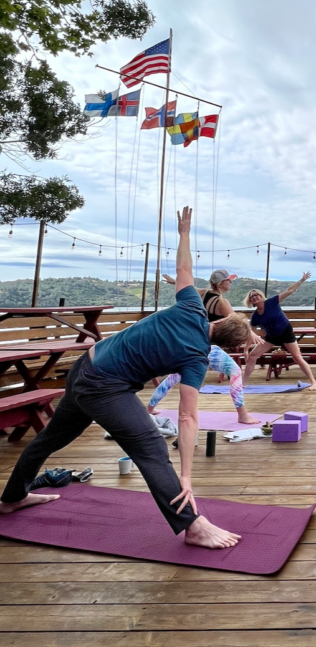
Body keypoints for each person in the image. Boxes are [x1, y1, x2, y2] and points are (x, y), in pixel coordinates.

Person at [0, 208, 251, 549]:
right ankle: (192, 526)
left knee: (49, 440)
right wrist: (187, 476)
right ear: (222, 343)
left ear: (218, 323)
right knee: (150, 446)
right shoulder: (197, 360)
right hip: (102, 385)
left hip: (84, 367)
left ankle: (13, 498)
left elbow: (184, 269)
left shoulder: (191, 305)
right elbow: (188, 416)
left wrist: (184, 233)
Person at [148, 345, 259, 426]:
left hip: (188, 348)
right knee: (236, 372)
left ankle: (150, 408)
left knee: (173, 378)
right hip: (206, 348)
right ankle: (242, 414)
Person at [242, 274, 316, 390]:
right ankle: (242, 384)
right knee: (252, 356)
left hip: (285, 332)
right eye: (252, 296)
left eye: (256, 294)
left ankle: (314, 382)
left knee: (297, 357)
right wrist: (246, 349)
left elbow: (289, 291)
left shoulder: (272, 302)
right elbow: (251, 334)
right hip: (271, 336)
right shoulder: (255, 316)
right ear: (251, 301)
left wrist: (302, 280)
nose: (254, 297)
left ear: (261, 296)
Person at [162, 268, 237, 321]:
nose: (231, 282)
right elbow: (238, 322)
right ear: (220, 284)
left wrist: (175, 282)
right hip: (214, 340)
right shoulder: (222, 303)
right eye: (228, 280)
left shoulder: (204, 293)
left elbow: (189, 288)